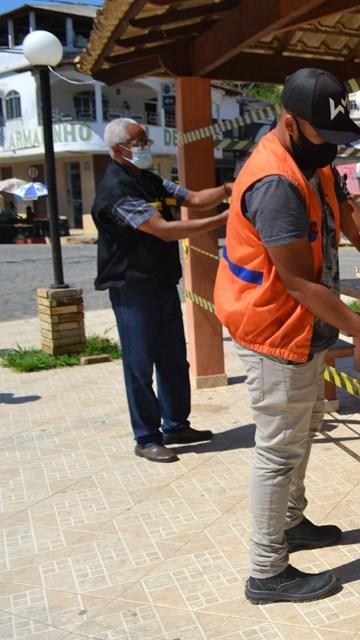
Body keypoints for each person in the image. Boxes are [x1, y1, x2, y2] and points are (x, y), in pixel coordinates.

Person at [214, 68, 360, 605]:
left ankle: (291, 524)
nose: (331, 151)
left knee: (305, 429)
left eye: (338, 139)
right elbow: (301, 283)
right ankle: (266, 571)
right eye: (322, 138)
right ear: (290, 123)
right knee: (278, 450)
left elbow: (358, 226)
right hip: (273, 329)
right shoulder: (276, 183)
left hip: (304, 327)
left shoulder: (318, 167)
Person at [92, 118, 232, 463]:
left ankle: (175, 425)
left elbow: (196, 197)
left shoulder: (150, 180)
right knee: (140, 366)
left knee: (173, 361)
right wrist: (225, 219)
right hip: (133, 290)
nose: (145, 148)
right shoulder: (116, 190)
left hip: (163, 284)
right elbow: (164, 231)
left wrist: (231, 188)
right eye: (138, 144)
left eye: (145, 141)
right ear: (118, 150)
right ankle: (146, 437)